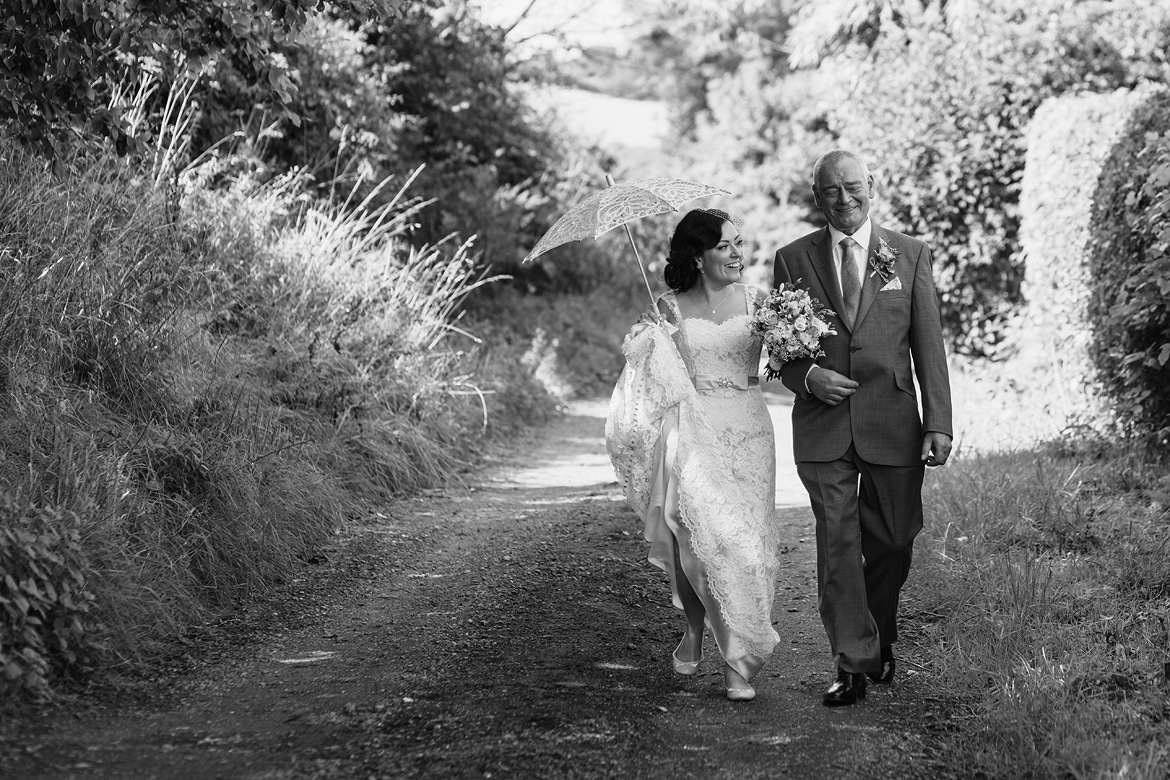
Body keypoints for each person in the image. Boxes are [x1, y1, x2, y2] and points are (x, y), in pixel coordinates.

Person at [772, 149, 953, 706]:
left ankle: (880, 634)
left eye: (853, 187)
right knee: (839, 543)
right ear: (817, 196)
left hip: (893, 422)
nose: (844, 199)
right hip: (824, 427)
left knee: (894, 542)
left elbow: (928, 346)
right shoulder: (792, 257)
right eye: (831, 191)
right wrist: (807, 378)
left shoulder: (910, 255)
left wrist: (938, 423)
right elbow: (779, 349)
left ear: (871, 186)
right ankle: (851, 660)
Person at [606, 208, 781, 702]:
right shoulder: (668, 308)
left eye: (739, 244)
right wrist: (648, 339)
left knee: (749, 546)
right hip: (695, 431)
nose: (736, 254)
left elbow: (787, 361)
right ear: (699, 256)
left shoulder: (760, 301)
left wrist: (794, 336)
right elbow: (651, 375)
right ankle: (701, 632)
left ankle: (738, 655)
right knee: (696, 544)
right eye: (725, 245)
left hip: (749, 429)